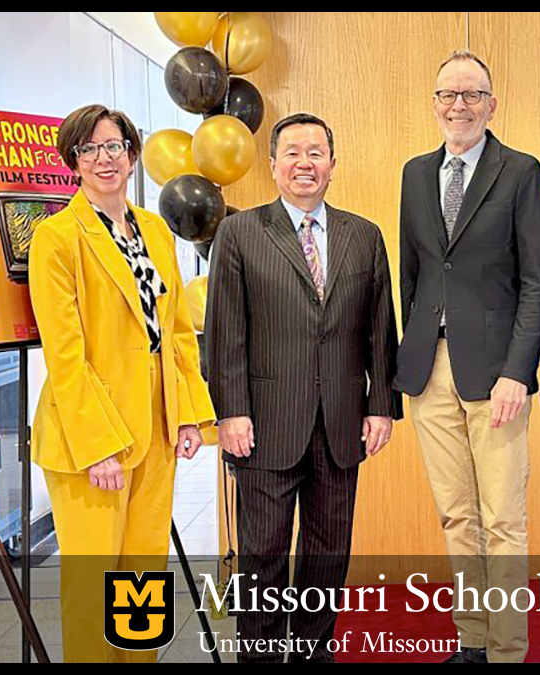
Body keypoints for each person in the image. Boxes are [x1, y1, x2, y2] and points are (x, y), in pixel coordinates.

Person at [205, 113, 401, 663]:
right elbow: (225, 332)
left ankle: (314, 655)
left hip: (341, 422)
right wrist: (231, 411)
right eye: (292, 153)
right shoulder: (240, 232)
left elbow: (379, 329)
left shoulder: (363, 236)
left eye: (316, 153)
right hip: (265, 423)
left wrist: (381, 406)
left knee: (328, 553)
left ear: (333, 165)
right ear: (272, 166)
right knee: (263, 554)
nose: (304, 164)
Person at [29, 104, 216, 662]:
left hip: (155, 427)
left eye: (114, 146)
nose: (104, 158)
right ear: (74, 162)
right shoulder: (57, 237)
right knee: (93, 589)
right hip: (93, 439)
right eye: (90, 149)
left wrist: (189, 413)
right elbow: (65, 357)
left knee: (141, 581)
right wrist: (99, 447)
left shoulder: (155, 229)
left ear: (132, 154)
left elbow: (177, 330)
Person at [395, 50, 540, 664]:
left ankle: (509, 650)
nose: (458, 106)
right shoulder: (414, 173)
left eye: (471, 95)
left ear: (492, 104)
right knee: (456, 516)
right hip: (428, 369)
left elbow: (539, 280)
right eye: (447, 95)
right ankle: (473, 640)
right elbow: (411, 275)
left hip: (496, 374)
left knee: (504, 521)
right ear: (434, 103)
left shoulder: (519, 172)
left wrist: (520, 370)